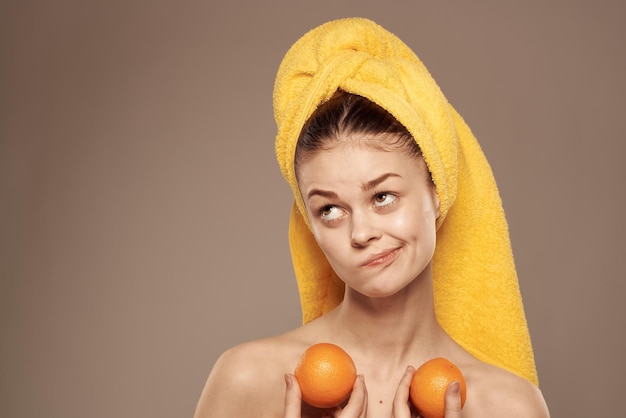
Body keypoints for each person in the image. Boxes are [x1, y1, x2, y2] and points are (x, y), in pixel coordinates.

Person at [194, 17, 550, 418]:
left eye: (383, 196)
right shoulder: (250, 380)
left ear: (437, 193)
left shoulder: (506, 405)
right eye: (329, 210)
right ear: (310, 226)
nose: (361, 232)